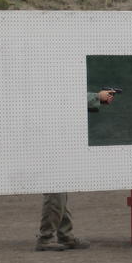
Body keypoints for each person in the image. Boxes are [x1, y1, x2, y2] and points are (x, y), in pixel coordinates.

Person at [35, 89, 117, 252]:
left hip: (54, 139)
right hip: (47, 140)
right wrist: (96, 97)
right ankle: (46, 238)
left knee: (60, 191)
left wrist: (97, 98)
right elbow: (63, 97)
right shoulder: (47, 79)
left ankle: (65, 235)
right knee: (55, 190)